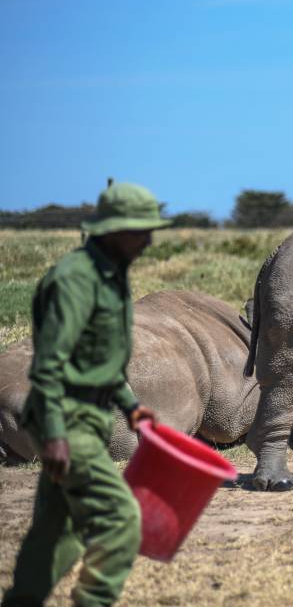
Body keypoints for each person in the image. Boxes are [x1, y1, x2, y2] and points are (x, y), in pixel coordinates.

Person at [2, 182, 170, 607]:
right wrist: (56, 433)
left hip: (90, 417)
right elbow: (50, 363)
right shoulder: (75, 281)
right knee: (120, 520)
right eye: (141, 231)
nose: (149, 241)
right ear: (114, 230)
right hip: (67, 419)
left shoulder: (109, 278)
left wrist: (131, 407)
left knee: (56, 530)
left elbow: (98, 360)